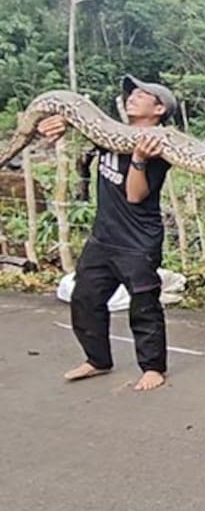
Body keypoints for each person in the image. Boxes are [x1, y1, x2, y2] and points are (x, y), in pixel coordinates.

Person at [38, 75, 178, 392]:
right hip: (103, 237)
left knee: (143, 306)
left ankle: (153, 367)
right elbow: (76, 127)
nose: (131, 97)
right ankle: (97, 360)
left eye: (141, 95)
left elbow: (135, 195)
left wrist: (139, 160)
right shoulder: (111, 134)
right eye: (130, 93)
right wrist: (59, 122)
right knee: (85, 299)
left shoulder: (160, 145)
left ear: (159, 109)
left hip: (138, 242)